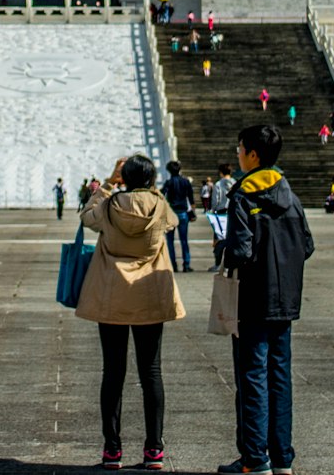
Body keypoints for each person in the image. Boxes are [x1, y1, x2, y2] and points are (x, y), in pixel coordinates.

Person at [76, 153, 185, 471]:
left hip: (112, 297)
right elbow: (173, 220)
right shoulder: (159, 205)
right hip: (149, 296)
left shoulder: (110, 207)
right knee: (151, 372)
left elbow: (86, 216)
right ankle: (154, 450)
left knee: (112, 372)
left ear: (125, 178)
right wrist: (151, 189)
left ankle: (112, 450)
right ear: (151, 181)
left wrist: (109, 183)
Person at [222, 124, 314, 475]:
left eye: (240, 148)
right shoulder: (291, 196)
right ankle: (282, 459)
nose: (237, 153)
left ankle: (254, 458)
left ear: (254, 155)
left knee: (252, 377)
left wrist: (225, 246)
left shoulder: (243, 196)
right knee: (279, 376)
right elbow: (307, 246)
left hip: (253, 300)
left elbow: (240, 253)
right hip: (285, 300)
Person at [160, 161, 195, 272]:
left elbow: (161, 195)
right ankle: (186, 264)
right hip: (183, 213)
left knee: (170, 240)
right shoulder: (185, 182)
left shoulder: (168, 182)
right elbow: (191, 198)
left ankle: (173, 264)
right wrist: (192, 212)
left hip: (171, 213)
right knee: (184, 240)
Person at [208, 163, 235, 271]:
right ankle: (230, 263)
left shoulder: (218, 184)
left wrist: (213, 210)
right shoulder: (235, 183)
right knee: (231, 238)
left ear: (221, 172)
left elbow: (215, 201)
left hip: (221, 212)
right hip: (233, 212)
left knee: (218, 239)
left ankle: (218, 263)